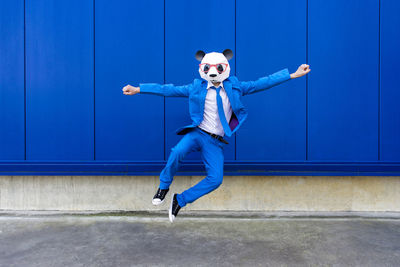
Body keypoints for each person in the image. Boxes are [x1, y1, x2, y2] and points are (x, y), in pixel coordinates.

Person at [122, 49, 310, 222]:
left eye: (218, 68)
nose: (213, 73)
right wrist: (139, 89)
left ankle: (180, 200)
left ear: (225, 68)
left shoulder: (235, 87)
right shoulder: (196, 87)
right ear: (202, 69)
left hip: (214, 141)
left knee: (216, 179)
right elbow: (168, 89)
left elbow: (263, 83)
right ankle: (164, 186)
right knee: (177, 151)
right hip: (197, 133)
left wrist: (293, 74)